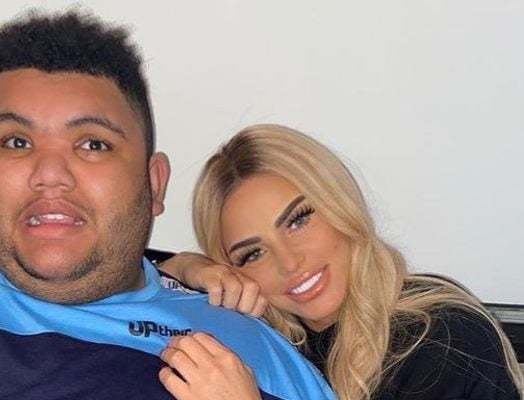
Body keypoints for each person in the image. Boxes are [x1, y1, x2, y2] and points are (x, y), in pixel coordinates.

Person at [0, 10, 334, 400]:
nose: (50, 173)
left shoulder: (252, 361)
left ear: (154, 185)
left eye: (93, 144)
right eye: (17, 142)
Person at [157, 124, 524, 400]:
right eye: (253, 254)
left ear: (339, 203)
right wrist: (186, 266)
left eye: (298, 220)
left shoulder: (442, 336)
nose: (289, 263)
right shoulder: (273, 346)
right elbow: (128, 290)